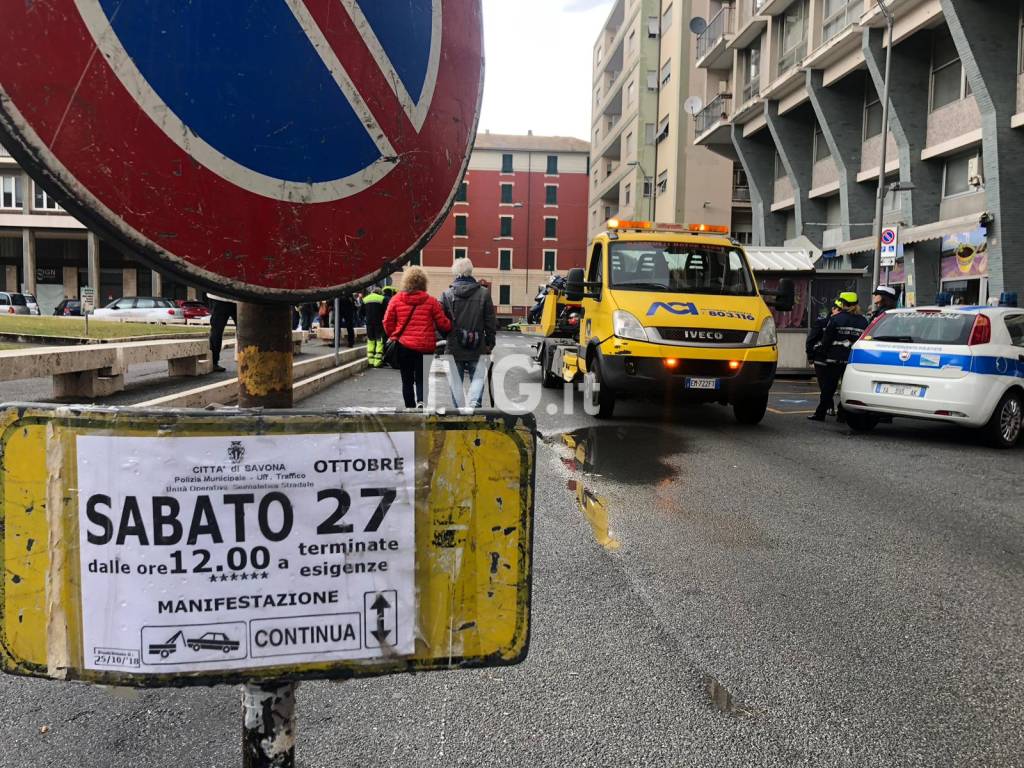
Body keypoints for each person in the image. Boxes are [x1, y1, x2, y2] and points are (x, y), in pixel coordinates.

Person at [383, 267, 451, 408]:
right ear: (423, 283)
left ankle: (410, 407)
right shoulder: (431, 301)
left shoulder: (396, 300)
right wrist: (451, 325)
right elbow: (443, 324)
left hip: (403, 346)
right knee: (422, 378)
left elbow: (387, 322)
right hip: (425, 347)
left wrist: (394, 335)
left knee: (406, 380)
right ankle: (421, 402)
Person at [441, 258, 497, 407]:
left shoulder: (446, 295)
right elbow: (490, 321)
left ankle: (459, 412)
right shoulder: (484, 293)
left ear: (456, 272)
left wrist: (443, 338)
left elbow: (441, 322)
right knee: (477, 379)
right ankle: (474, 408)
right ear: (471, 271)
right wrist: (490, 342)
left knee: (456, 383)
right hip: (478, 345)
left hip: (453, 346)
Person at [808, 292, 869, 422]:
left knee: (828, 388)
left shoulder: (836, 319)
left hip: (833, 359)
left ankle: (820, 414)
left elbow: (826, 340)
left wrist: (820, 353)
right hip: (851, 360)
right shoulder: (863, 321)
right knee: (848, 388)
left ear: (842, 303)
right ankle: (842, 414)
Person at [806, 301, 842, 416]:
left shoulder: (842, 323)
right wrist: (810, 355)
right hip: (820, 358)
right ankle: (829, 407)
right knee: (824, 385)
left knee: (831, 384)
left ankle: (831, 409)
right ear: (832, 309)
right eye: (837, 309)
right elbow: (811, 339)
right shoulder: (821, 322)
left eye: (841, 310)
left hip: (835, 359)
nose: (839, 312)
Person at [206, 293, 236, 373]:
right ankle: (214, 362)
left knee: (217, 330)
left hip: (223, 297)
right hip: (221, 298)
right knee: (217, 331)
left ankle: (214, 362)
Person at [362, 286, 386, 367]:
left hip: (369, 323)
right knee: (379, 341)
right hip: (379, 323)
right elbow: (387, 311)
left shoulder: (365, 299)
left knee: (370, 340)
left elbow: (361, 312)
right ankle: (377, 362)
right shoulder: (382, 299)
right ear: (379, 292)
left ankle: (370, 361)